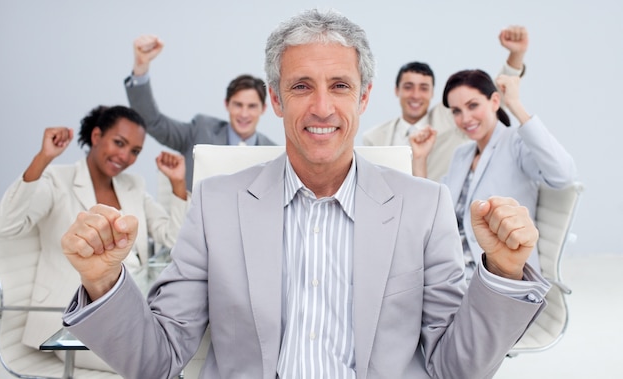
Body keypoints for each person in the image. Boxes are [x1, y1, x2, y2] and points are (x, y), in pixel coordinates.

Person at [60, 10, 551, 379]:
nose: (322, 107)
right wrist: (104, 283)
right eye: (300, 86)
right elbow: (156, 361)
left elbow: (455, 367)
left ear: (363, 96)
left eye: (340, 85)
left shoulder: (424, 206)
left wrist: (504, 272)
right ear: (276, 98)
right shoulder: (215, 206)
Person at [0, 105, 189, 371]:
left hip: (128, 311)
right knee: (160, 364)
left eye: (134, 151)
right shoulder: (58, 180)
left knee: (181, 349)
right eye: (119, 143)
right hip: (70, 323)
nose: (124, 156)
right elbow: (6, 225)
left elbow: (174, 239)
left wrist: (178, 184)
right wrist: (43, 157)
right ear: (97, 136)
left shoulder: (133, 185)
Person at [410, 69, 577, 279]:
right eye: (456, 111)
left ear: (495, 101)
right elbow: (433, 210)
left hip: (496, 270)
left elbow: (563, 174)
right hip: (453, 265)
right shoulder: (462, 155)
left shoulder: (515, 142)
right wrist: (420, 158)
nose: (465, 118)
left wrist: (515, 104)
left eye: (473, 105)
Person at [363, 26, 529, 182]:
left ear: (432, 93)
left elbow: (495, 91)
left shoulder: (452, 115)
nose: (415, 95)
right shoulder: (374, 137)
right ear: (396, 90)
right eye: (408, 87)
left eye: (423, 88)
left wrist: (516, 55)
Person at [125, 34, 277, 190]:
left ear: (263, 109)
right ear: (227, 105)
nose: (244, 114)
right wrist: (141, 67)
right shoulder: (200, 131)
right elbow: (153, 122)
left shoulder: (275, 154)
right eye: (238, 105)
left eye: (252, 106)